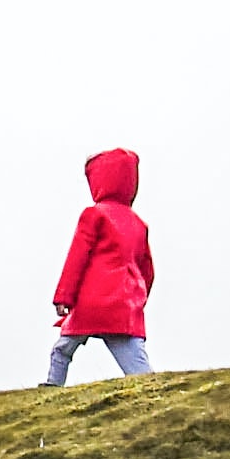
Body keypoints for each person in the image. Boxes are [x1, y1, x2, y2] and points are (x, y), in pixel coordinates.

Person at [46, 147, 155, 383]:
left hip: (92, 301)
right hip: (124, 305)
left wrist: (63, 297)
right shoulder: (139, 224)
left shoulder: (94, 215)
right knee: (134, 357)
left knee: (63, 349)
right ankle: (152, 388)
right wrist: (138, 300)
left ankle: (52, 386)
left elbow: (77, 258)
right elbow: (147, 270)